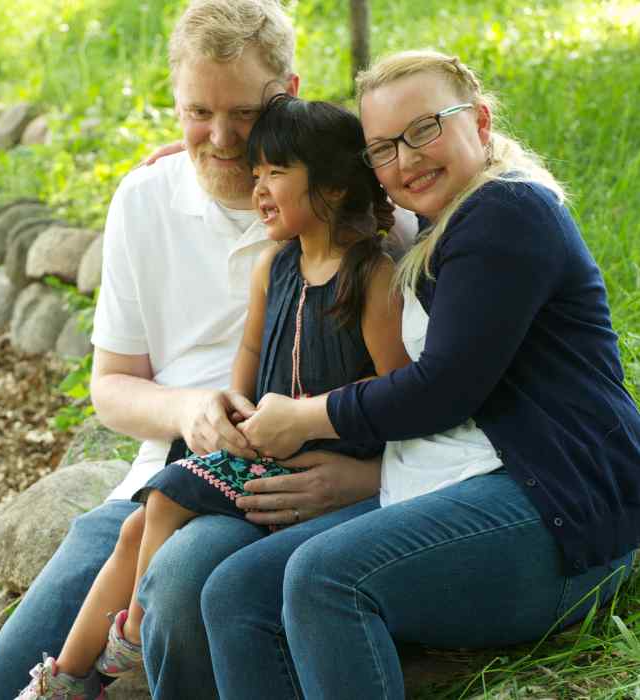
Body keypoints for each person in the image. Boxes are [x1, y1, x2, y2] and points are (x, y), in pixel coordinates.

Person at [0, 3, 415, 699]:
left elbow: (415, 392)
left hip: (286, 478)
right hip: (165, 476)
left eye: (244, 113)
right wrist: (190, 411)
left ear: (288, 93)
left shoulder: (365, 217)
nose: (223, 138)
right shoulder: (145, 199)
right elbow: (111, 386)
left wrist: (362, 480)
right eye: (198, 112)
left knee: (180, 585)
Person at [199, 50, 640, 699]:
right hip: (457, 486)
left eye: (425, 128)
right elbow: (313, 168)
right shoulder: (442, 219)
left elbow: (443, 389)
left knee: (325, 579)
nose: (406, 160)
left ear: (481, 121)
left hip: (559, 513)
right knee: (236, 592)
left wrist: (306, 418)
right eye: (383, 148)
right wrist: (194, 168)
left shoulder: (507, 212)